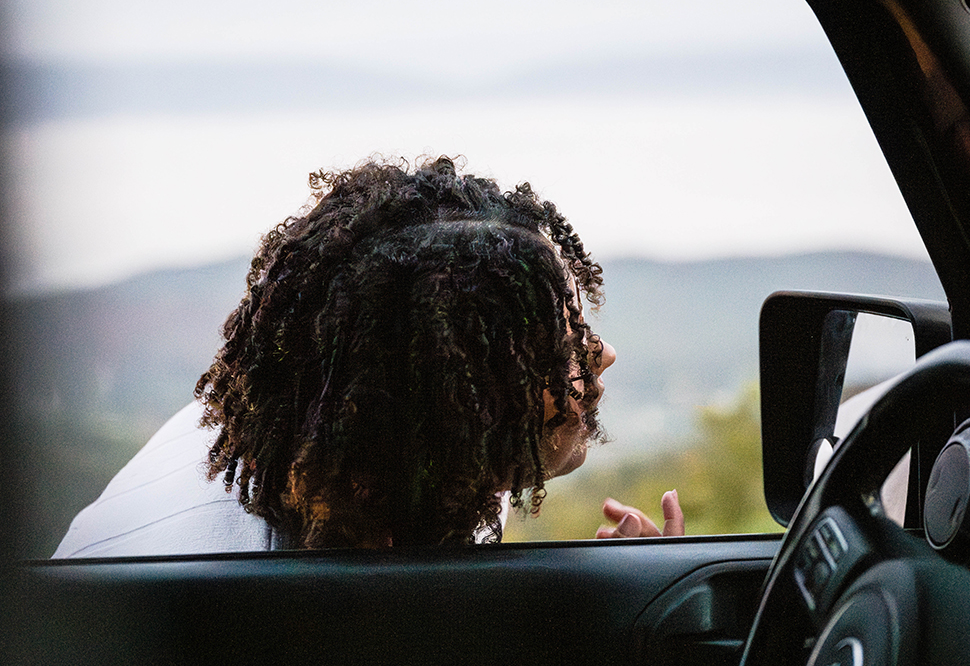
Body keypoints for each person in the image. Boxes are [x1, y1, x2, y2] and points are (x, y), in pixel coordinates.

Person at [53, 155, 683, 559]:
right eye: (558, 346)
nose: (603, 355)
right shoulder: (257, 578)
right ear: (457, 398)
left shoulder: (322, 454)